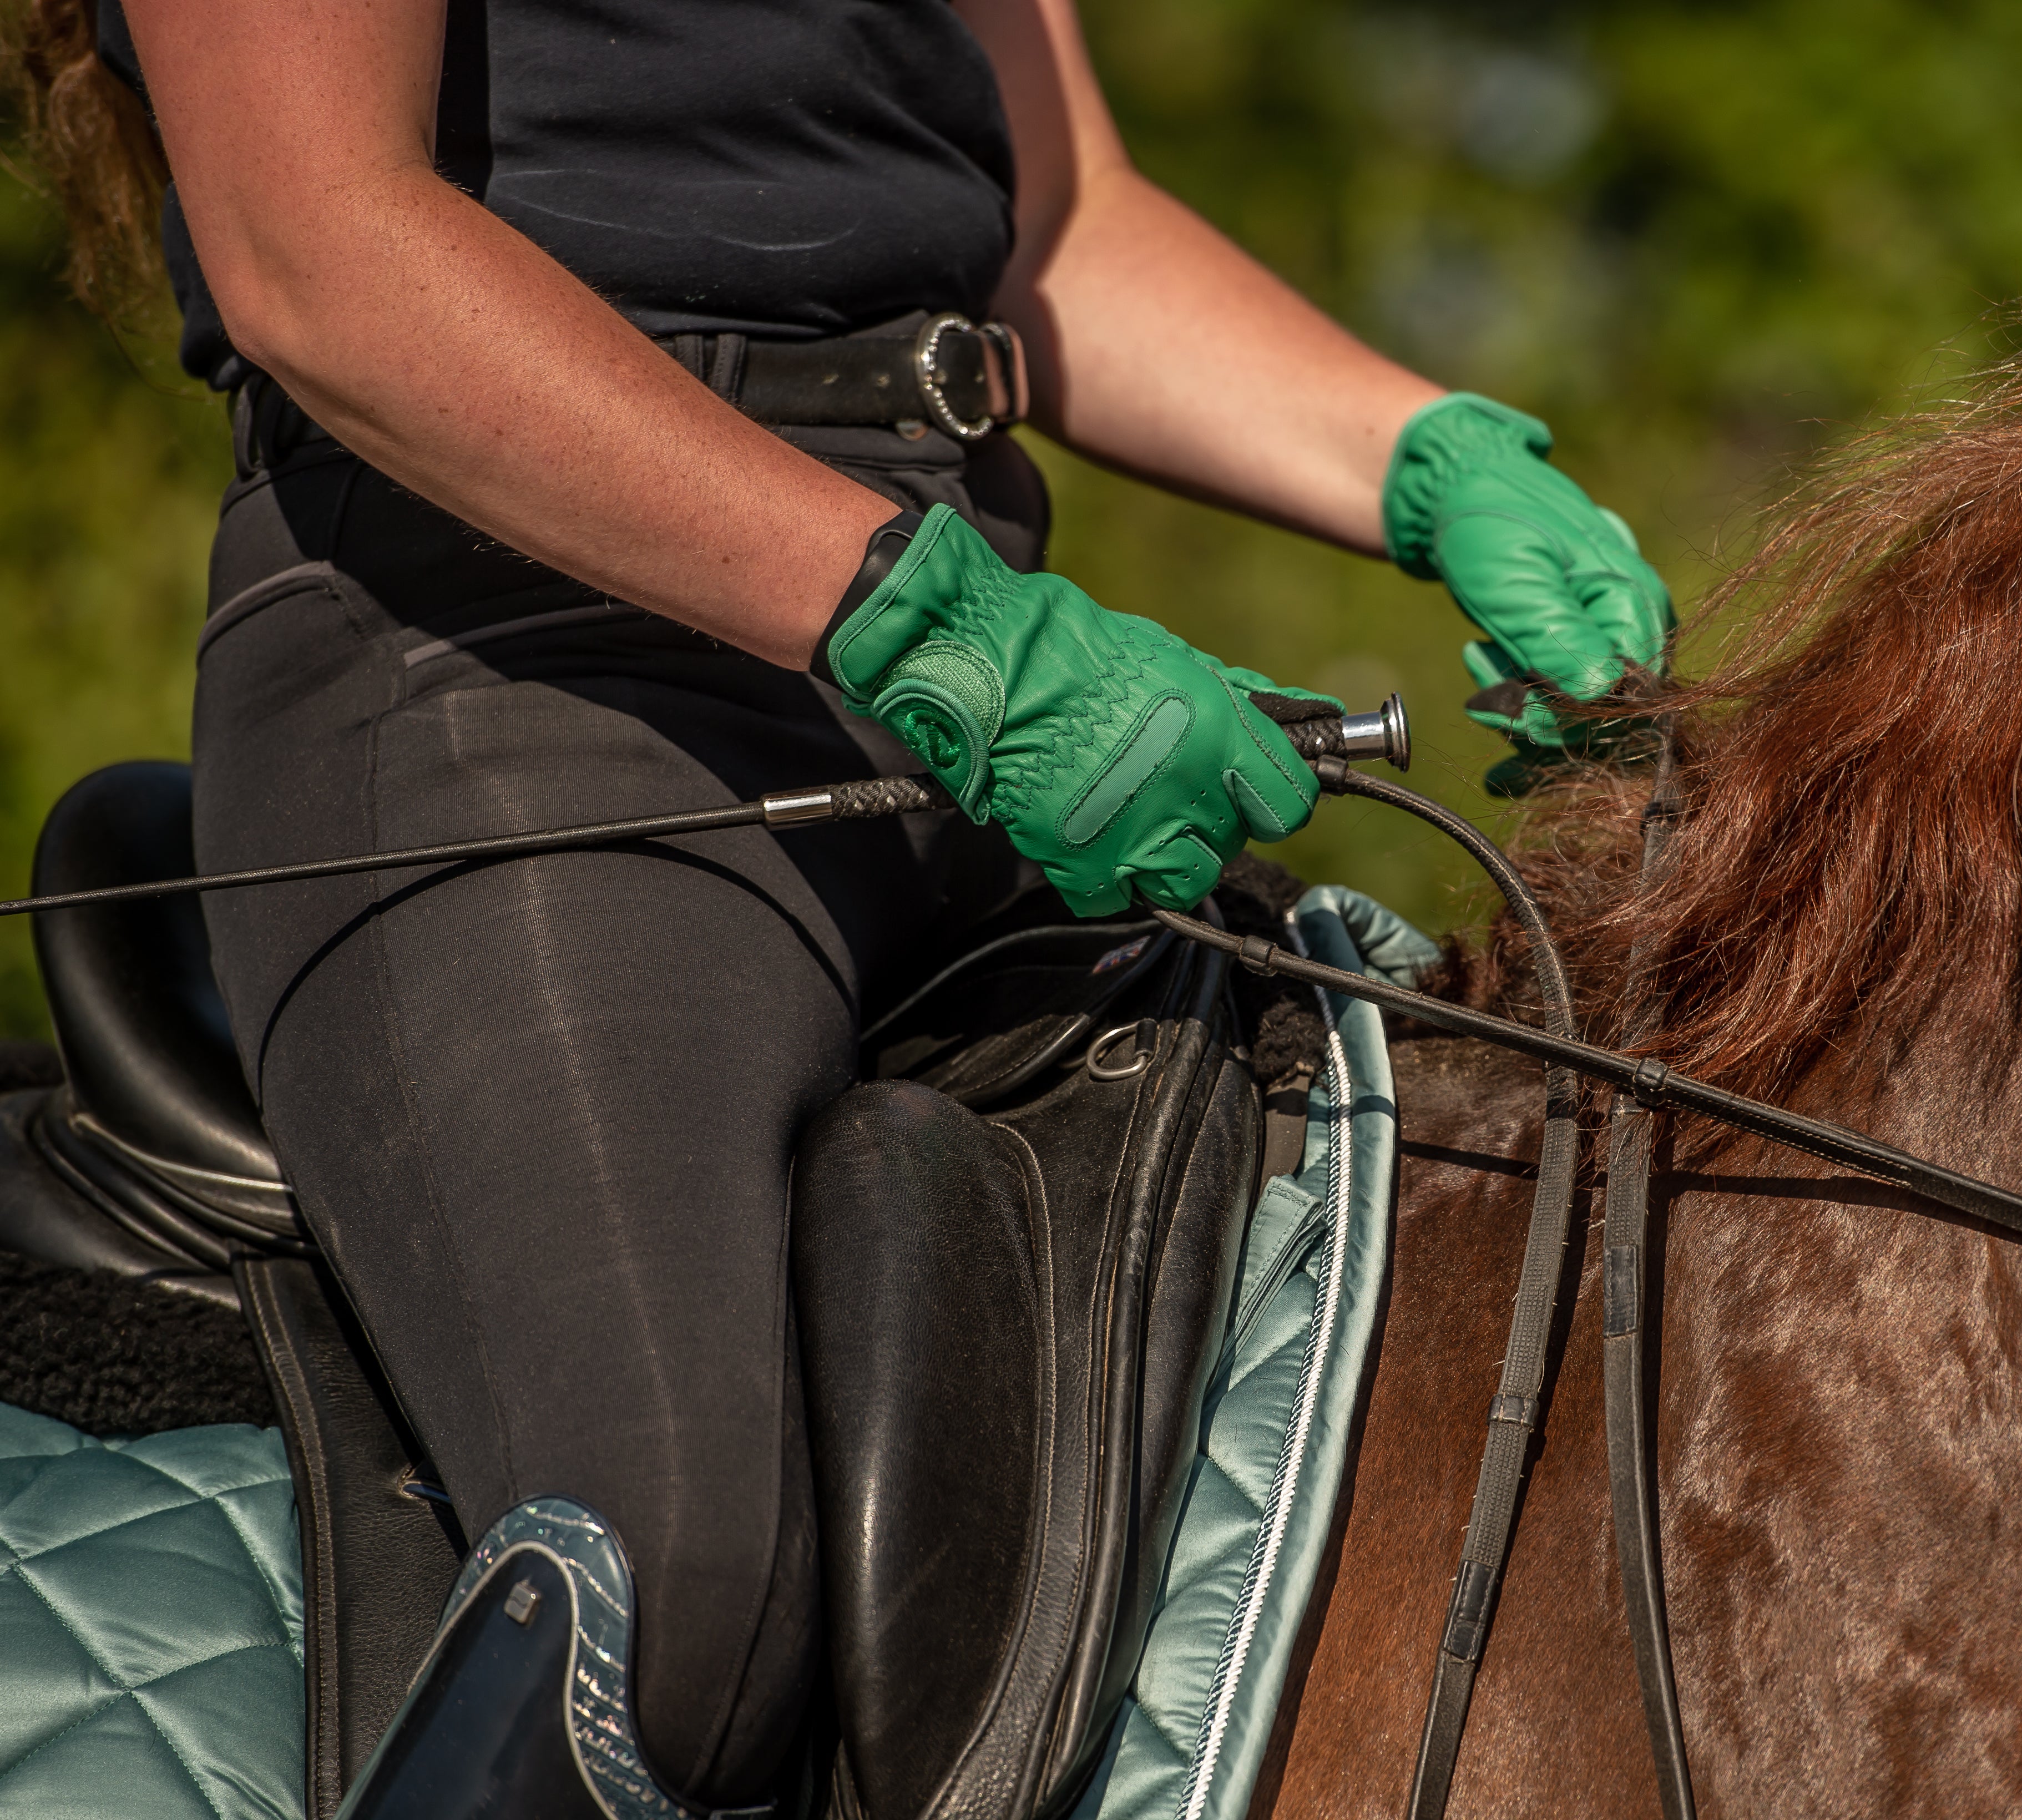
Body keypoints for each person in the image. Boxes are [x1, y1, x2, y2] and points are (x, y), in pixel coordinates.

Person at [20, 0, 1672, 1809]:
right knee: (676, 1596)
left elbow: (1058, 231)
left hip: (949, 672)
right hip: (506, 672)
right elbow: (316, 248)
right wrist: (931, 624)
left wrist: (1429, 461)